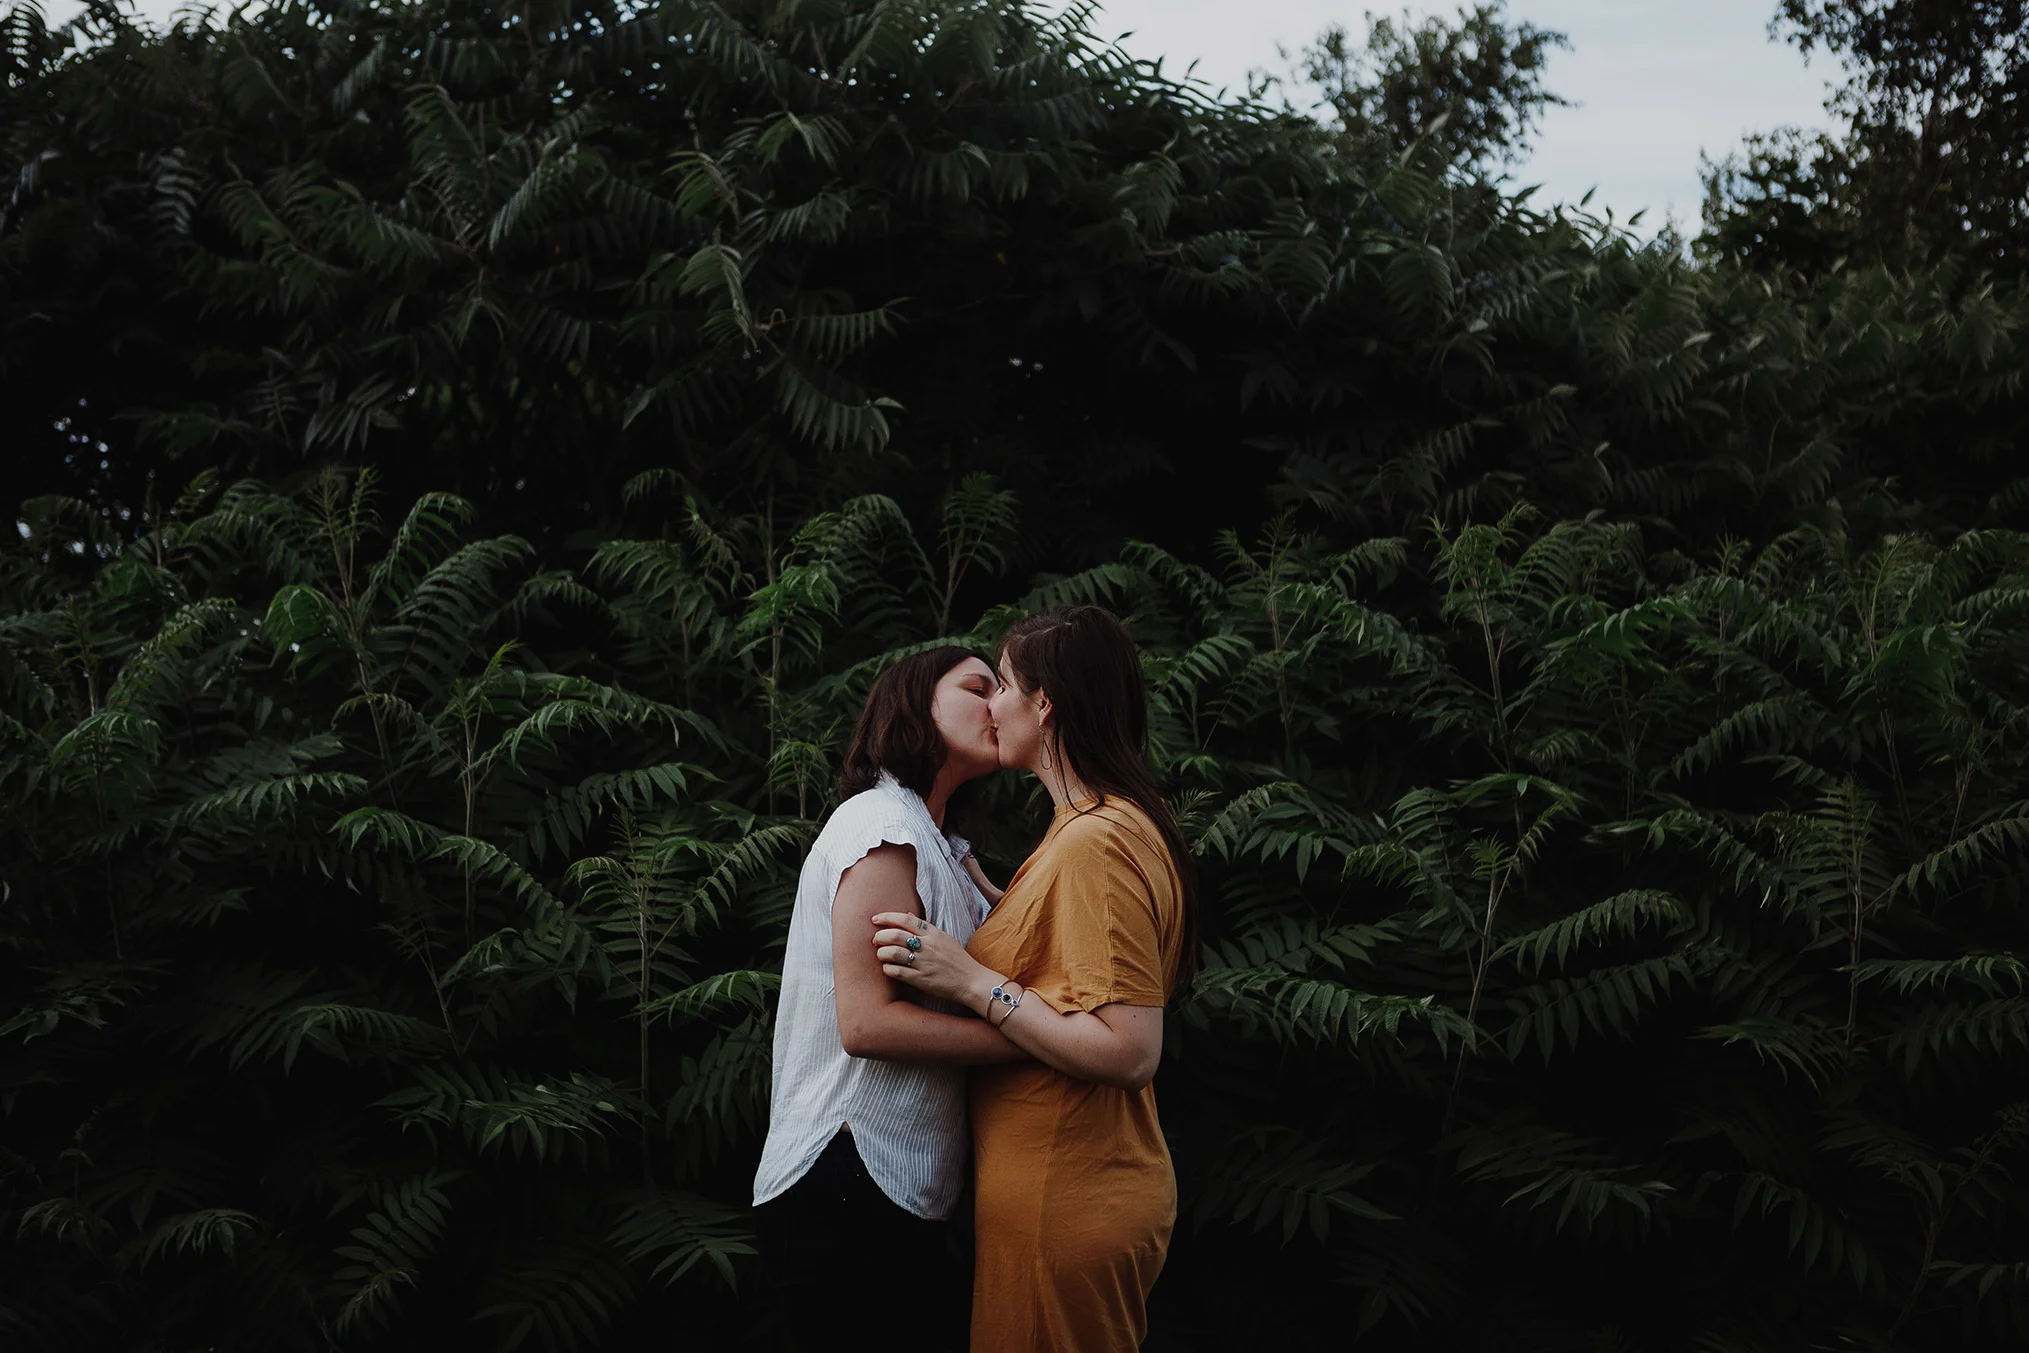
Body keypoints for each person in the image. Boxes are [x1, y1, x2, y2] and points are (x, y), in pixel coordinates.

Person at [873, 604, 1198, 1353]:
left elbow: (1129, 1049)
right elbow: (1076, 963)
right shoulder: (1104, 824)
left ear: (1044, 703)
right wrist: (1004, 906)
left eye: (1004, 686)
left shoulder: (1095, 842)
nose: (991, 706)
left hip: (1065, 1192)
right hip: (1064, 1185)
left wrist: (967, 980)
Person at [751, 646, 1024, 1351]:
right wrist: (1031, 1036)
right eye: (977, 686)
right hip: (846, 1173)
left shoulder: (939, 843)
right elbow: (866, 1022)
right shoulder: (880, 826)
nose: (997, 702)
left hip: (894, 1186)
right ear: (914, 704)